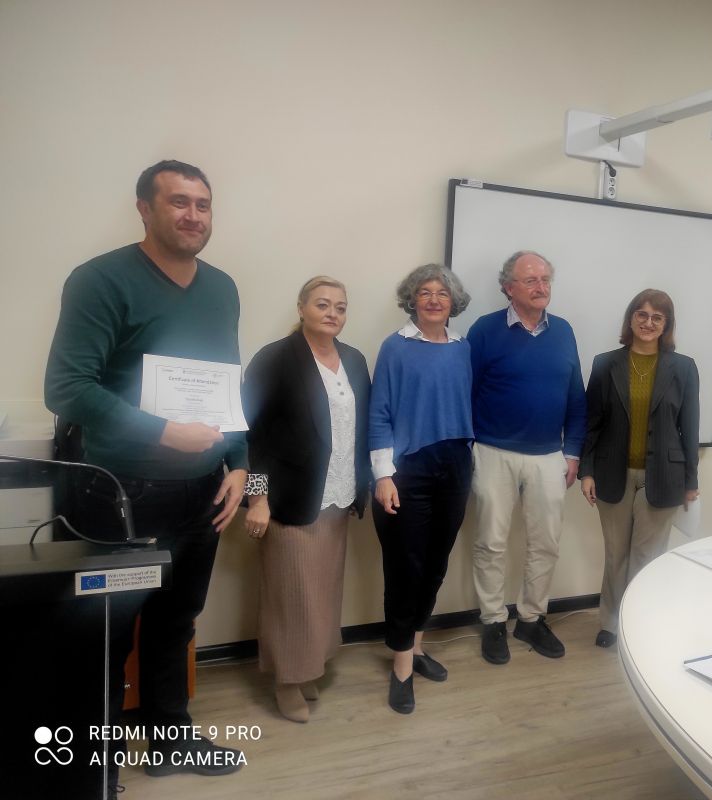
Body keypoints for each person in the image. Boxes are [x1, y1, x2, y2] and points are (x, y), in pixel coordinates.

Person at [43, 160, 247, 792]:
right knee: (103, 634)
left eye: (203, 205)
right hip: (119, 494)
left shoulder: (222, 288)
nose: (193, 215)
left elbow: (227, 385)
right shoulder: (100, 279)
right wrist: (162, 431)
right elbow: (66, 387)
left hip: (202, 491)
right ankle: (93, 769)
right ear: (144, 208)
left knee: (175, 623)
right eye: (179, 202)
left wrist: (242, 465)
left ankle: (168, 741)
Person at [241, 276, 371, 723]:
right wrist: (257, 499)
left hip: (337, 496)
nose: (332, 313)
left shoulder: (354, 360)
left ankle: (309, 666)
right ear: (301, 308)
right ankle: (287, 680)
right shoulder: (275, 358)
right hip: (288, 500)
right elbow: (251, 436)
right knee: (292, 594)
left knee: (323, 591)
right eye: (322, 304)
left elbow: (359, 428)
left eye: (341, 306)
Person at [468, 250, 586, 665]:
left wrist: (573, 451)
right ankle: (493, 621)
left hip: (549, 455)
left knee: (546, 543)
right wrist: (469, 447)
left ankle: (532, 619)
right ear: (508, 288)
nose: (541, 287)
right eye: (531, 280)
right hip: (492, 452)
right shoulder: (484, 330)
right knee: (491, 542)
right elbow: (466, 391)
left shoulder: (564, 330)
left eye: (546, 279)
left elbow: (576, 396)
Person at [369, 263, 473, 714]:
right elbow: (379, 413)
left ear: (453, 302)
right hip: (408, 469)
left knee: (435, 564)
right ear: (412, 299)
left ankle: (416, 645)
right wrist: (383, 475)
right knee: (405, 567)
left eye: (442, 293)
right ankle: (401, 667)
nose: (434, 299)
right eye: (425, 292)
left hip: (455, 463)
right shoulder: (395, 347)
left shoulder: (462, 348)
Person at [579, 289, 699, 647]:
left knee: (648, 558)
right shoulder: (605, 364)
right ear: (631, 319)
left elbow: (690, 428)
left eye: (657, 317)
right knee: (616, 555)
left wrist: (691, 481)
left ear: (666, 325)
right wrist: (586, 471)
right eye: (642, 315)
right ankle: (610, 624)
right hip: (611, 474)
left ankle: (637, 626)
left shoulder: (684, 368)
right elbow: (592, 423)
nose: (648, 323)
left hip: (664, 476)